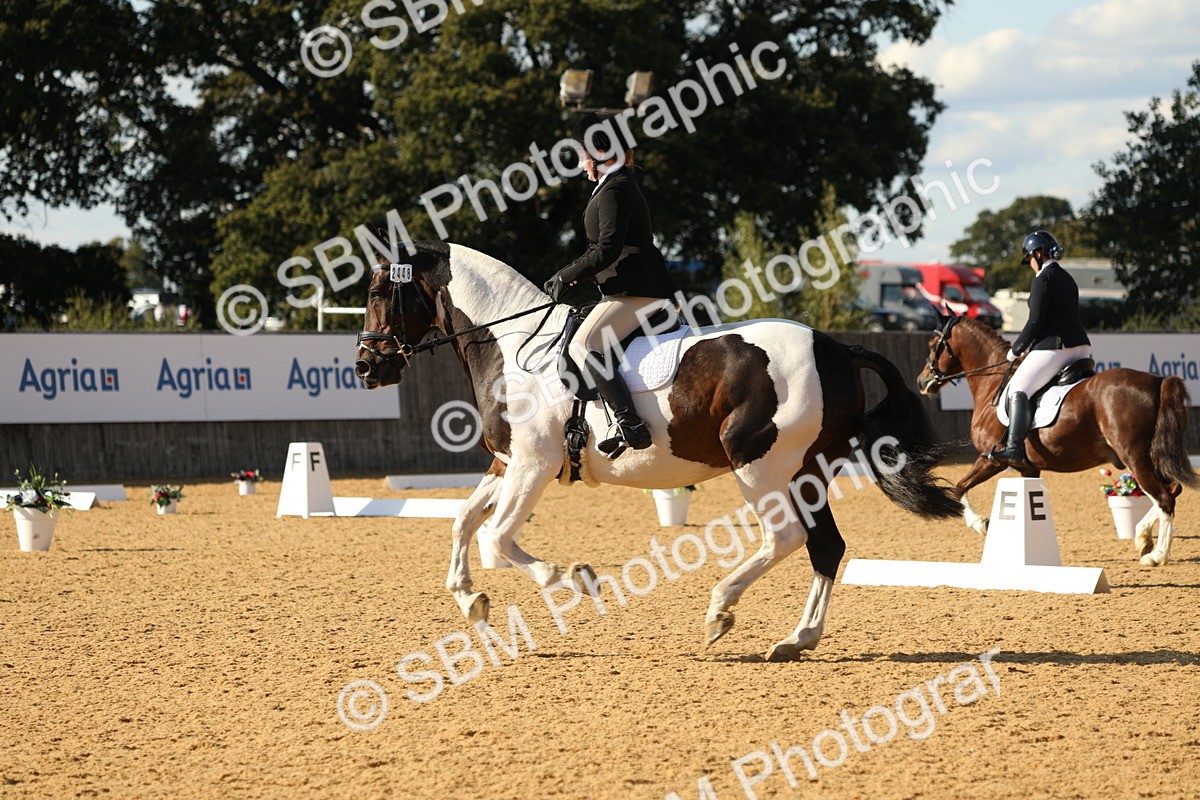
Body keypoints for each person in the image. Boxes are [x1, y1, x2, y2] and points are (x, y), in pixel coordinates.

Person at [543, 111, 676, 456]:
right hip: (632, 287)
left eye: (582, 154)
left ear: (599, 152)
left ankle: (629, 423)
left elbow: (606, 249)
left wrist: (567, 275)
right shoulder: (614, 185)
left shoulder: (616, 188)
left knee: (586, 344)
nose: (580, 163)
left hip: (637, 289)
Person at [986, 230, 1091, 469]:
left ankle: (1013, 448)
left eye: (1029, 259)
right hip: (1081, 348)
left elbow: (1035, 322)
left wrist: (1016, 349)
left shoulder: (1043, 279)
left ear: (1038, 253)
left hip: (1056, 348)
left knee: (1018, 389)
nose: (1030, 265)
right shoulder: (1068, 278)